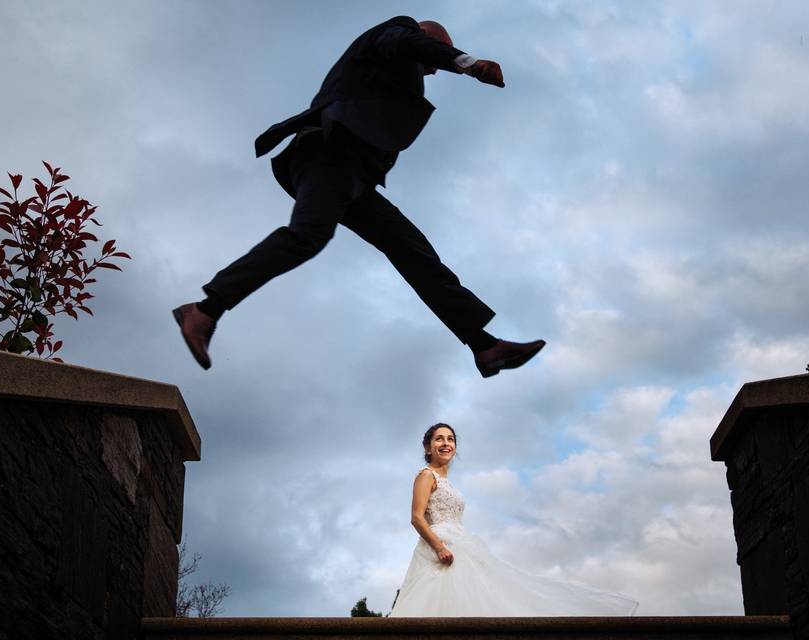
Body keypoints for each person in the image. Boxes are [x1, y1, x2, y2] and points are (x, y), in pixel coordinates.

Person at [173, 17, 545, 378]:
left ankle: (484, 346)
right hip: (328, 152)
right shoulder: (398, 32)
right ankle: (206, 309)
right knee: (307, 236)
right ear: (427, 38)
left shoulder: (395, 72)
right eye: (433, 61)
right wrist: (467, 63)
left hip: (353, 177)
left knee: (411, 250)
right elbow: (408, 43)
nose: (432, 73)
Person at [390, 423, 639, 616]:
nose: (446, 443)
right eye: (439, 439)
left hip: (461, 544)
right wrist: (439, 547)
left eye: (450, 439)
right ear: (428, 448)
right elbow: (416, 517)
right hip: (439, 548)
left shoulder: (448, 483)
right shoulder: (426, 475)